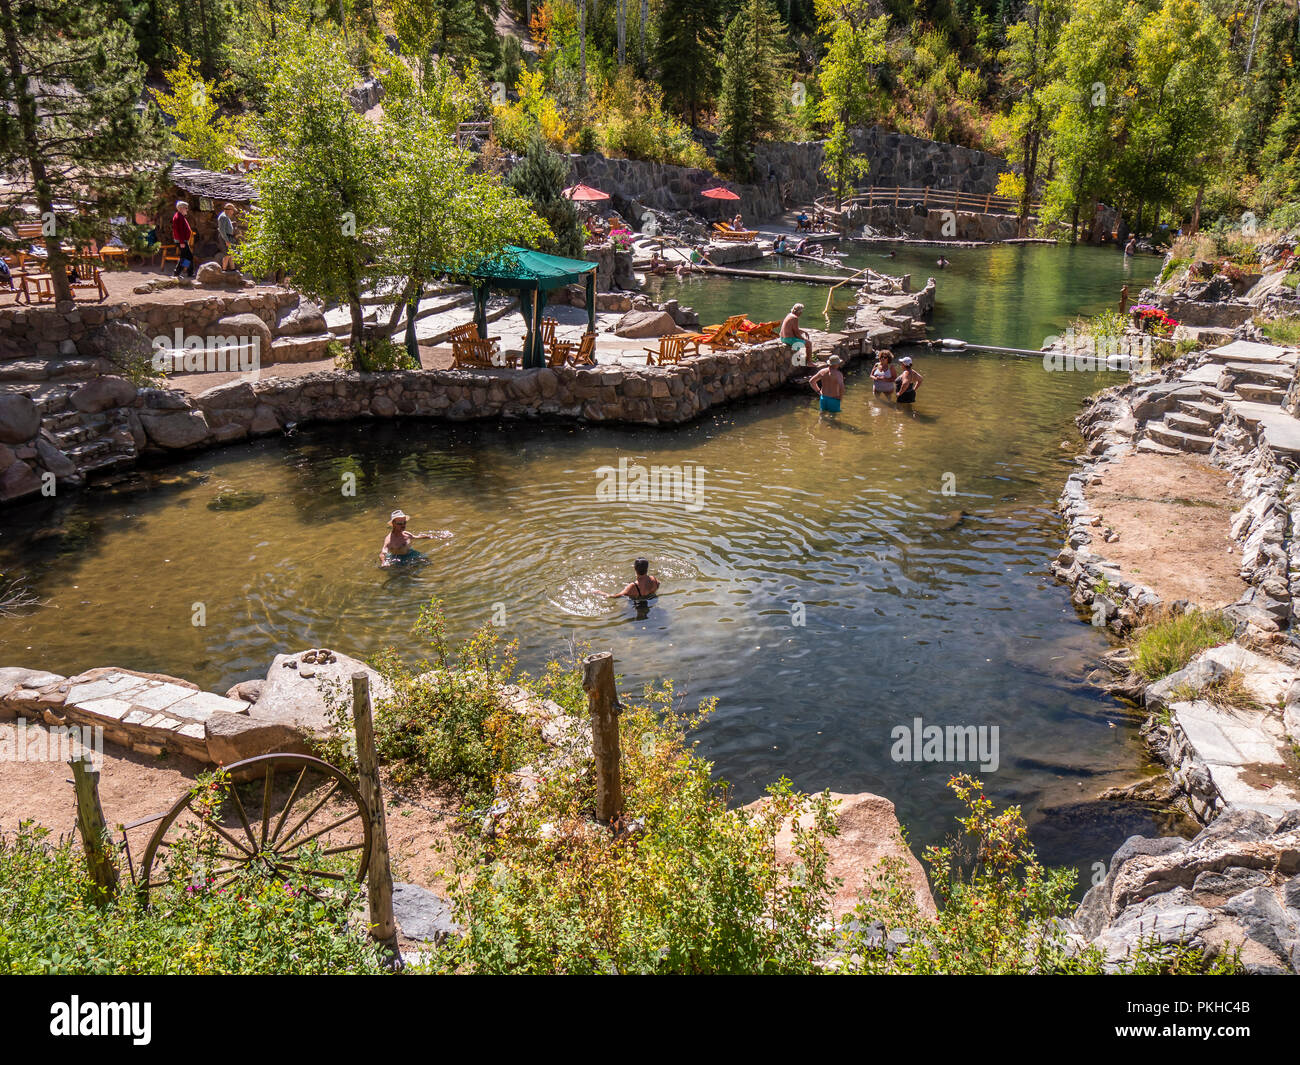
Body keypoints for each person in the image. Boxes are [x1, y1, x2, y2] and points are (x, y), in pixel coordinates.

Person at [171, 200, 195, 279]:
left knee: (187, 257)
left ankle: (185, 272)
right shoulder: (178, 217)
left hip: (182, 241)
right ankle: (179, 272)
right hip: (181, 241)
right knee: (187, 257)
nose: (187, 210)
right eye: (186, 208)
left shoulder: (180, 216)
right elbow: (179, 231)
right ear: (181, 208)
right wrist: (182, 242)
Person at [216, 202, 236, 272]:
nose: (233, 212)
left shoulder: (226, 217)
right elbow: (222, 230)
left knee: (231, 254)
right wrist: (226, 240)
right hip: (225, 237)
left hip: (228, 237)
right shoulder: (223, 217)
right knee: (227, 254)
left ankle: (233, 269)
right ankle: (224, 270)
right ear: (228, 210)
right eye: (232, 210)